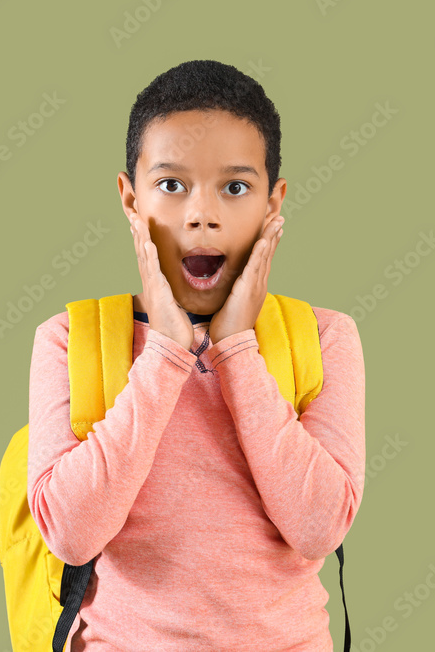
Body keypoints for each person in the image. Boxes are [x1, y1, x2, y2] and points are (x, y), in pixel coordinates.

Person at [26, 59, 366, 651]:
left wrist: (235, 349)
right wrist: (163, 351)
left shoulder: (326, 337)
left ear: (272, 202)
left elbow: (318, 528)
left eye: (235, 187)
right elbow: (72, 536)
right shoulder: (68, 339)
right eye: (170, 184)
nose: (201, 213)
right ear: (130, 201)